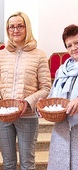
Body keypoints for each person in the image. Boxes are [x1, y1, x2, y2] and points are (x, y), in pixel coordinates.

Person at [0, 11, 51, 170]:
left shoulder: (39, 55)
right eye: (11, 27)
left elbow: (46, 88)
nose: (15, 30)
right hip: (3, 115)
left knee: (27, 163)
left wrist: (28, 102)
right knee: (8, 163)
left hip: (28, 116)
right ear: (7, 29)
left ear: (27, 28)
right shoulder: (1, 55)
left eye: (19, 26)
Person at [47, 25, 78, 170]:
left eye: (77, 43)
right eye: (69, 45)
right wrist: (45, 104)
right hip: (62, 131)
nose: (73, 48)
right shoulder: (62, 70)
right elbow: (53, 96)